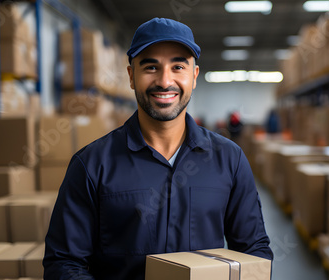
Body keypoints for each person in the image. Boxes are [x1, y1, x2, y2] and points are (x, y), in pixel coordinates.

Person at [43, 17, 273, 279]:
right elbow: (63, 264)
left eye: (178, 66)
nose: (165, 81)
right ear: (131, 76)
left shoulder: (229, 160)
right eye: (151, 67)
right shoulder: (92, 164)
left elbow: (254, 251)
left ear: (194, 76)